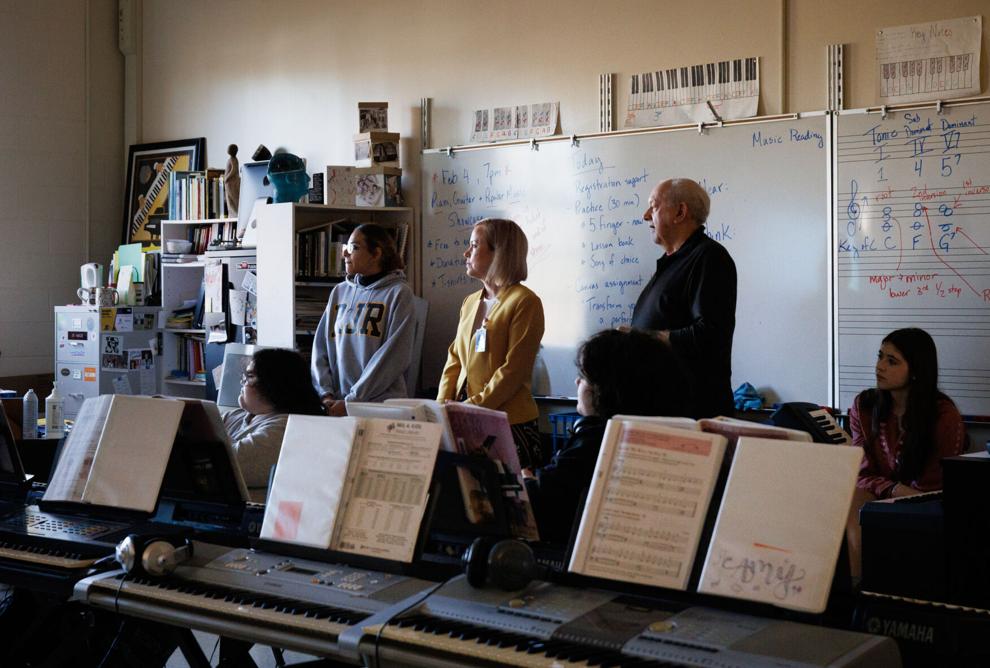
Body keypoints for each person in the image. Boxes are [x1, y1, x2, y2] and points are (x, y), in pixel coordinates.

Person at [523, 329, 691, 544]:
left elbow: (544, 502)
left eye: (583, 377)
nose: (577, 383)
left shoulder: (595, 437)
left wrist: (527, 481)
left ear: (606, 389)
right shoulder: (661, 436)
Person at [845, 327, 967, 577]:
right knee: (853, 499)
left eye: (892, 361)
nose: (880, 367)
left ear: (916, 371)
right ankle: (860, 590)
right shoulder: (864, 406)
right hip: (878, 495)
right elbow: (860, 472)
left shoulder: (944, 415)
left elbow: (935, 489)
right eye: (880, 357)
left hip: (925, 503)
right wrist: (893, 489)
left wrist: (898, 495)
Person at [438, 218, 546, 468]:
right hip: (462, 418)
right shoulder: (470, 302)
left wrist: (470, 409)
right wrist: (442, 406)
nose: (466, 252)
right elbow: (454, 359)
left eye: (474, 245)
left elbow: (513, 371)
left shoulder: (524, 302)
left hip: (508, 423)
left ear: (500, 252)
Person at [631, 178, 736, 419]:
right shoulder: (673, 261)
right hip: (663, 409)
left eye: (654, 206)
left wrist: (644, 338)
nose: (646, 215)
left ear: (680, 212)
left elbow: (710, 333)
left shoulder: (709, 258)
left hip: (691, 414)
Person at [311, 223, 416, 416]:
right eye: (346, 248)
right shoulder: (340, 292)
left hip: (379, 407)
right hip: (336, 405)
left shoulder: (399, 293)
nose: (345, 254)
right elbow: (321, 348)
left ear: (376, 253)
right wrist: (325, 393)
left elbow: (392, 357)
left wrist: (353, 400)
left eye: (354, 248)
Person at [223, 348, 324, 501]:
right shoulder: (234, 416)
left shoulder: (287, 427)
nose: (242, 382)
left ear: (273, 384)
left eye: (250, 377)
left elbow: (227, 466)